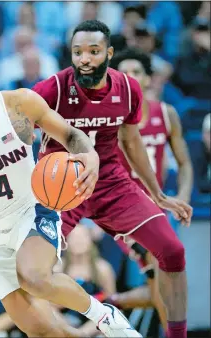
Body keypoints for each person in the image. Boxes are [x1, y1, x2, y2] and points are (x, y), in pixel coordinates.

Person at [0, 47, 141, 337]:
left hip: (31, 212)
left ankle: (104, 315)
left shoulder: (19, 104)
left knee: (34, 277)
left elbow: (70, 135)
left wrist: (90, 156)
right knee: (43, 331)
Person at [32, 20, 192, 338]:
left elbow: (131, 142)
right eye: (78, 52)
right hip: (61, 188)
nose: (85, 58)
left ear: (109, 53)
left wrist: (158, 194)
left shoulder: (127, 88)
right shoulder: (54, 87)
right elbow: (20, 127)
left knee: (173, 251)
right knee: (34, 272)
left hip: (110, 183)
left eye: (93, 51)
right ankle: (72, 329)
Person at [107, 47, 194, 332]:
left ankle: (107, 302)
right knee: (159, 270)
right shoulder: (107, 118)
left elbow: (184, 164)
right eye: (124, 73)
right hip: (123, 209)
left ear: (147, 79)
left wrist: (182, 195)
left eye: (137, 72)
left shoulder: (166, 114)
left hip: (158, 208)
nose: (131, 77)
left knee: (161, 279)